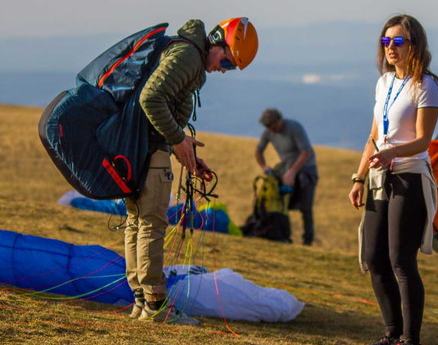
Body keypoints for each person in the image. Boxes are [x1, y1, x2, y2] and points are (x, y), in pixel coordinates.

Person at [127, 17, 258, 325]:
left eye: (231, 68)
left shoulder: (186, 54)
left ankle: (141, 301)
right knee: (151, 225)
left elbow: (160, 107)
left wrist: (185, 151)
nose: (224, 70)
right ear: (217, 42)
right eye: (227, 61)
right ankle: (155, 305)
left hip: (140, 149)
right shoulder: (187, 56)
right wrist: (177, 139)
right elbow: (151, 98)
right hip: (149, 152)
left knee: (138, 223)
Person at [348, 14, 438, 345]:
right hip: (379, 177)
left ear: (414, 45)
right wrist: (359, 178)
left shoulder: (426, 85)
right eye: (386, 41)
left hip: (409, 176)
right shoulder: (384, 82)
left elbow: (423, 141)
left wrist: (392, 153)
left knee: (401, 260)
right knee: (374, 257)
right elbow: (373, 136)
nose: (390, 47)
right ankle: (391, 334)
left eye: (398, 41)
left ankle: (411, 342)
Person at [255, 109, 319, 245]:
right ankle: (281, 234)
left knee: (305, 206)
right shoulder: (269, 132)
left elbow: (306, 152)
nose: (272, 130)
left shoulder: (294, 127)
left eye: (273, 126)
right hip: (285, 169)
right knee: (280, 201)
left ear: (280, 120)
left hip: (306, 169)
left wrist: (292, 172)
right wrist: (264, 167)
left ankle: (308, 240)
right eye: (269, 127)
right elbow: (258, 150)